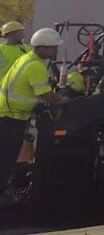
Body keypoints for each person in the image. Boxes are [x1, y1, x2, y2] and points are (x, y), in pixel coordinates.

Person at [0, 28, 70, 194]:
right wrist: (63, 101)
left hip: (6, 113)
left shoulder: (26, 58)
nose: (54, 51)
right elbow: (46, 94)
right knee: (6, 156)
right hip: (12, 117)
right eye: (52, 47)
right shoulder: (36, 66)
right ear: (42, 47)